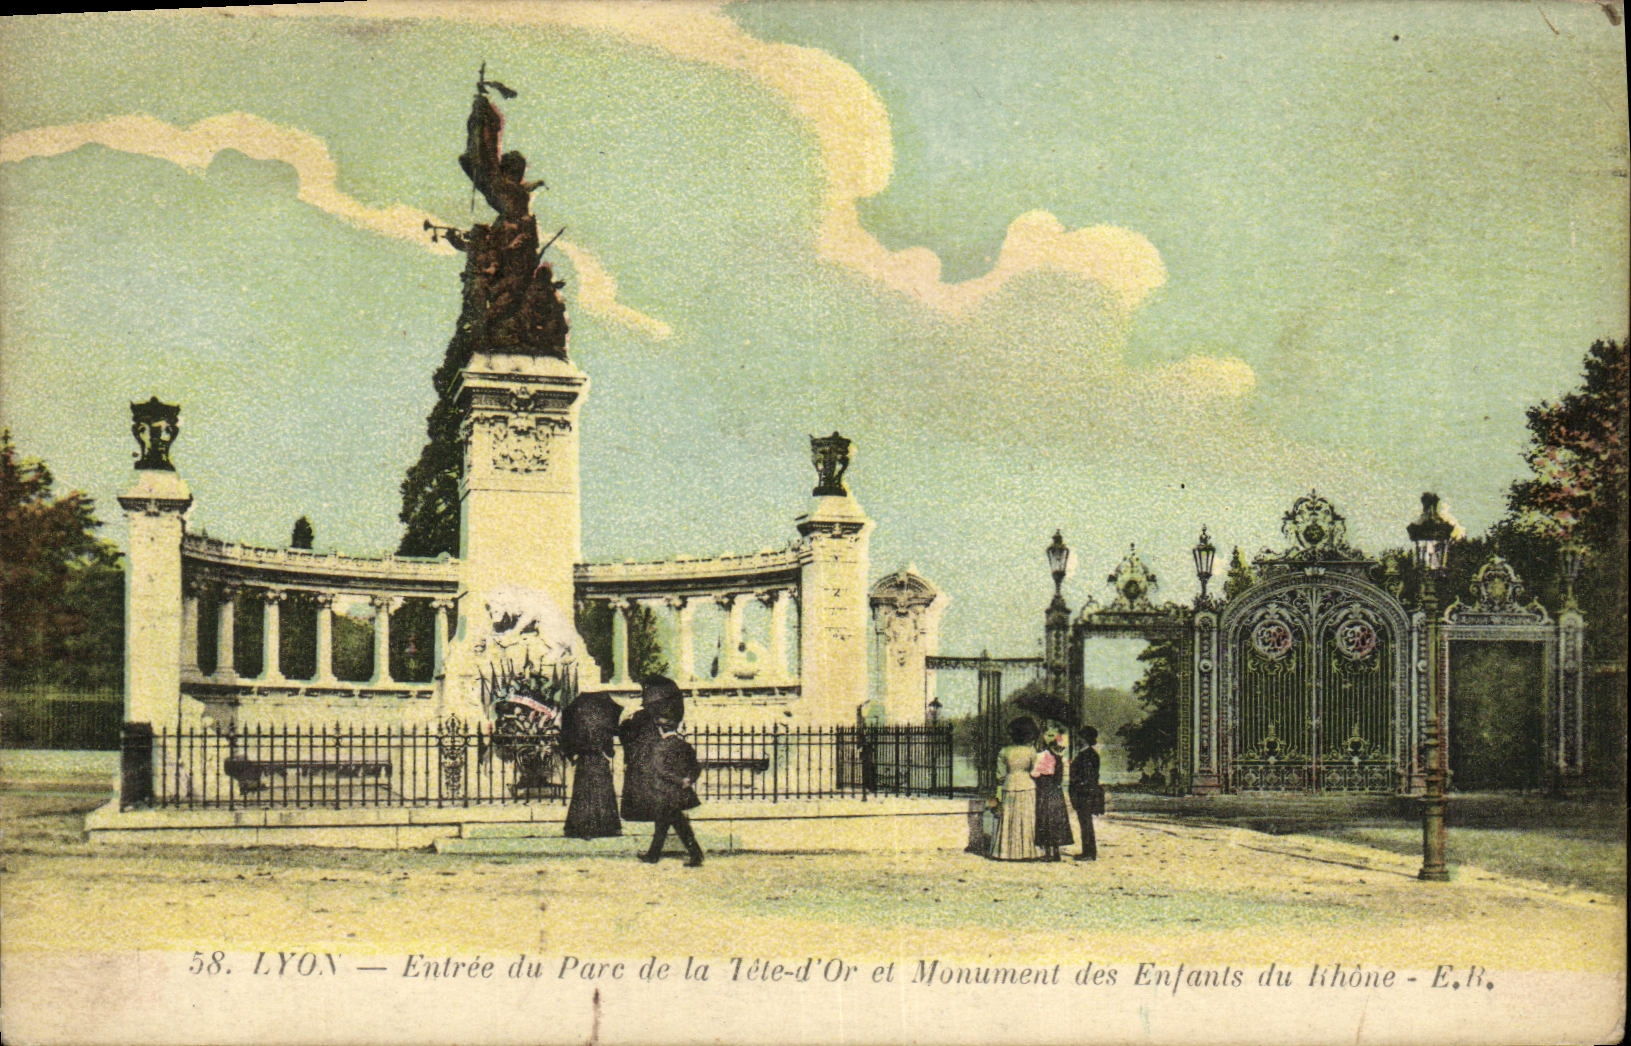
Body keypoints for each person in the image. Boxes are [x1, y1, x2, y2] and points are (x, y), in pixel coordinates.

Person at [639, 691, 704, 867]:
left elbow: (660, 770)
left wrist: (677, 780)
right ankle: (654, 855)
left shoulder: (659, 747)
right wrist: (689, 780)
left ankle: (694, 855)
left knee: (673, 826)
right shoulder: (684, 745)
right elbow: (696, 766)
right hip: (680, 794)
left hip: (665, 793)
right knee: (667, 825)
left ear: (661, 729)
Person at [560, 691, 622, 839]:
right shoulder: (603, 723)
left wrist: (573, 755)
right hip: (600, 761)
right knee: (603, 793)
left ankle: (581, 827)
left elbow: (568, 741)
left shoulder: (579, 723)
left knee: (583, 794)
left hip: (584, 761)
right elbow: (610, 750)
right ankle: (605, 827)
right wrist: (607, 751)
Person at [990, 717, 1040, 861]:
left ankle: (1007, 852)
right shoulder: (1031, 751)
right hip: (1027, 785)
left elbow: (1000, 774)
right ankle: (1028, 851)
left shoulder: (1004, 751)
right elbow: (1034, 770)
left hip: (1010, 785)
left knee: (1009, 819)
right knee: (1026, 819)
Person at [1032, 727, 1074, 861]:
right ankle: (1055, 851)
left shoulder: (1043, 756)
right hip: (1055, 791)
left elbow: (1035, 774)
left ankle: (1049, 852)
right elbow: (1059, 779)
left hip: (1045, 790)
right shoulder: (1058, 758)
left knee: (1045, 820)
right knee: (1055, 820)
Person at [1069, 725, 1103, 861]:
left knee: (1085, 822)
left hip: (1085, 793)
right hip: (1086, 792)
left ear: (1085, 739)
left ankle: (1089, 852)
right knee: (1085, 822)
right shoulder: (1088, 754)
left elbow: (1088, 776)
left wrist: (1078, 784)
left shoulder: (1088, 755)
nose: (1078, 739)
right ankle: (1088, 851)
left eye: (1080, 737)